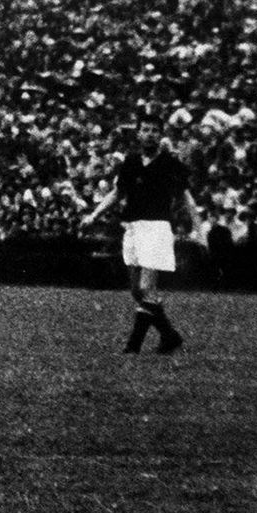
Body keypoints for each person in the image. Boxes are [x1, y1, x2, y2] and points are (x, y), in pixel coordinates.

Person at [83, 118, 201, 354]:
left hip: (157, 227)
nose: (150, 134)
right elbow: (117, 193)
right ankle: (169, 336)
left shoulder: (170, 163)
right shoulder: (132, 162)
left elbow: (186, 198)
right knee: (137, 292)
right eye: (145, 130)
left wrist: (198, 229)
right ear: (138, 134)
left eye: (155, 130)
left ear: (161, 135)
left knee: (146, 287)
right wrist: (94, 215)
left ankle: (133, 346)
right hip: (133, 228)